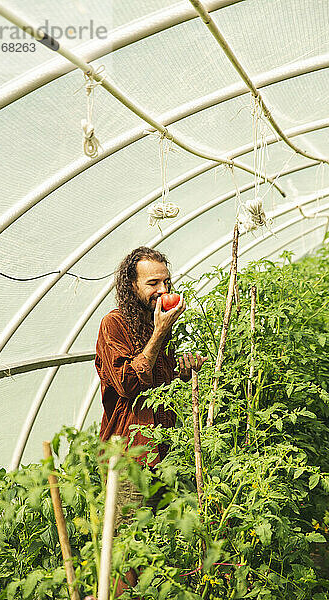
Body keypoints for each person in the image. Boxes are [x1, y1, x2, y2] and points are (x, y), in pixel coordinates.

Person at [94, 246, 207, 595]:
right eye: (152, 282)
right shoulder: (114, 324)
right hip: (129, 455)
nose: (162, 290)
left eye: (166, 282)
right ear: (131, 286)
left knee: (158, 539)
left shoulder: (156, 322)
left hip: (163, 453)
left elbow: (157, 382)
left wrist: (182, 368)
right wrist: (159, 334)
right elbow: (127, 384)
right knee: (127, 544)